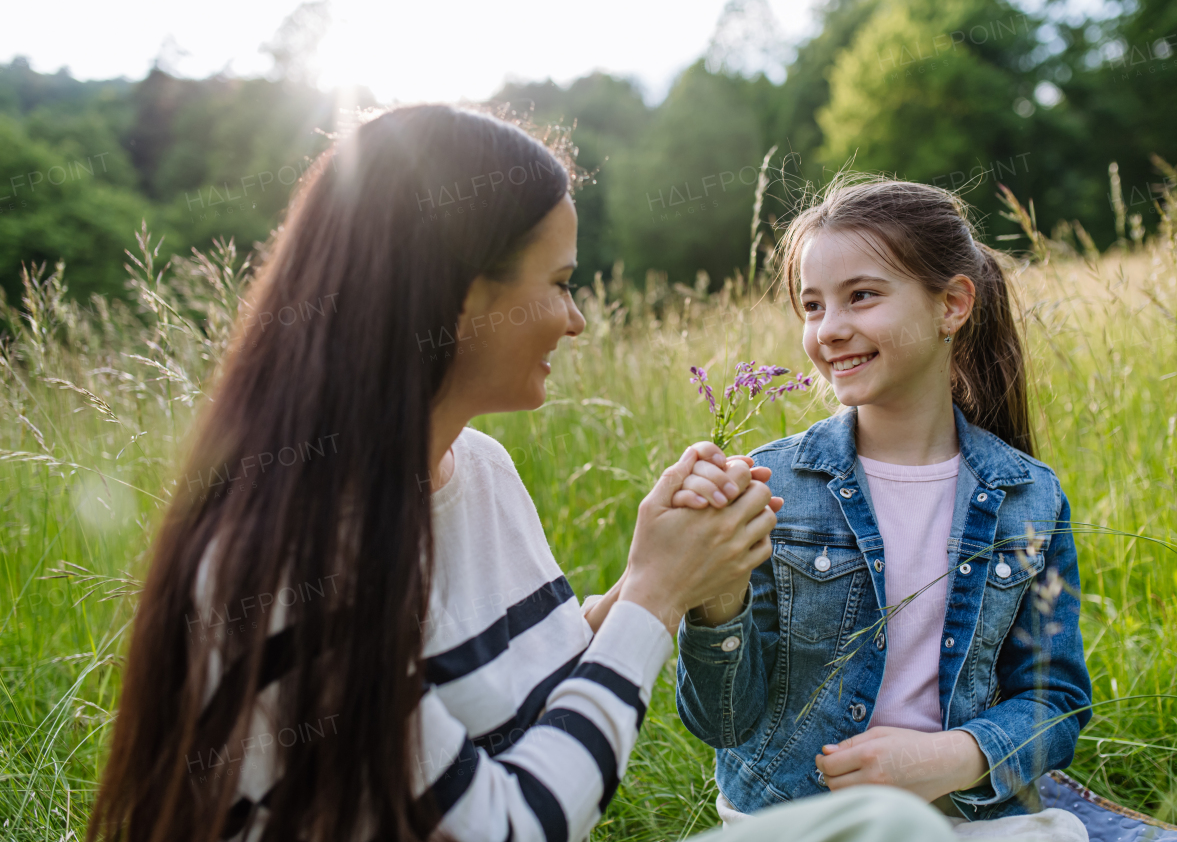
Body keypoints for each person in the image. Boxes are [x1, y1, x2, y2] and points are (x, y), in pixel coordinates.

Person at [85, 108, 953, 842]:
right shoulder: (290, 558)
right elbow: (506, 826)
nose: (577, 320)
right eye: (562, 282)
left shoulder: (481, 471)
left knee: (883, 822)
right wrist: (654, 597)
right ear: (460, 296)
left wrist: (658, 580)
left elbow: (516, 682)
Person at [673, 178, 1093, 839]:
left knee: (1059, 832)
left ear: (951, 304)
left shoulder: (1027, 496)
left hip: (964, 814)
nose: (830, 329)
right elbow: (720, 721)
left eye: (861, 295)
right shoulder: (769, 482)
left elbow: (1056, 701)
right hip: (804, 818)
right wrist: (717, 600)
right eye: (812, 305)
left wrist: (947, 757)